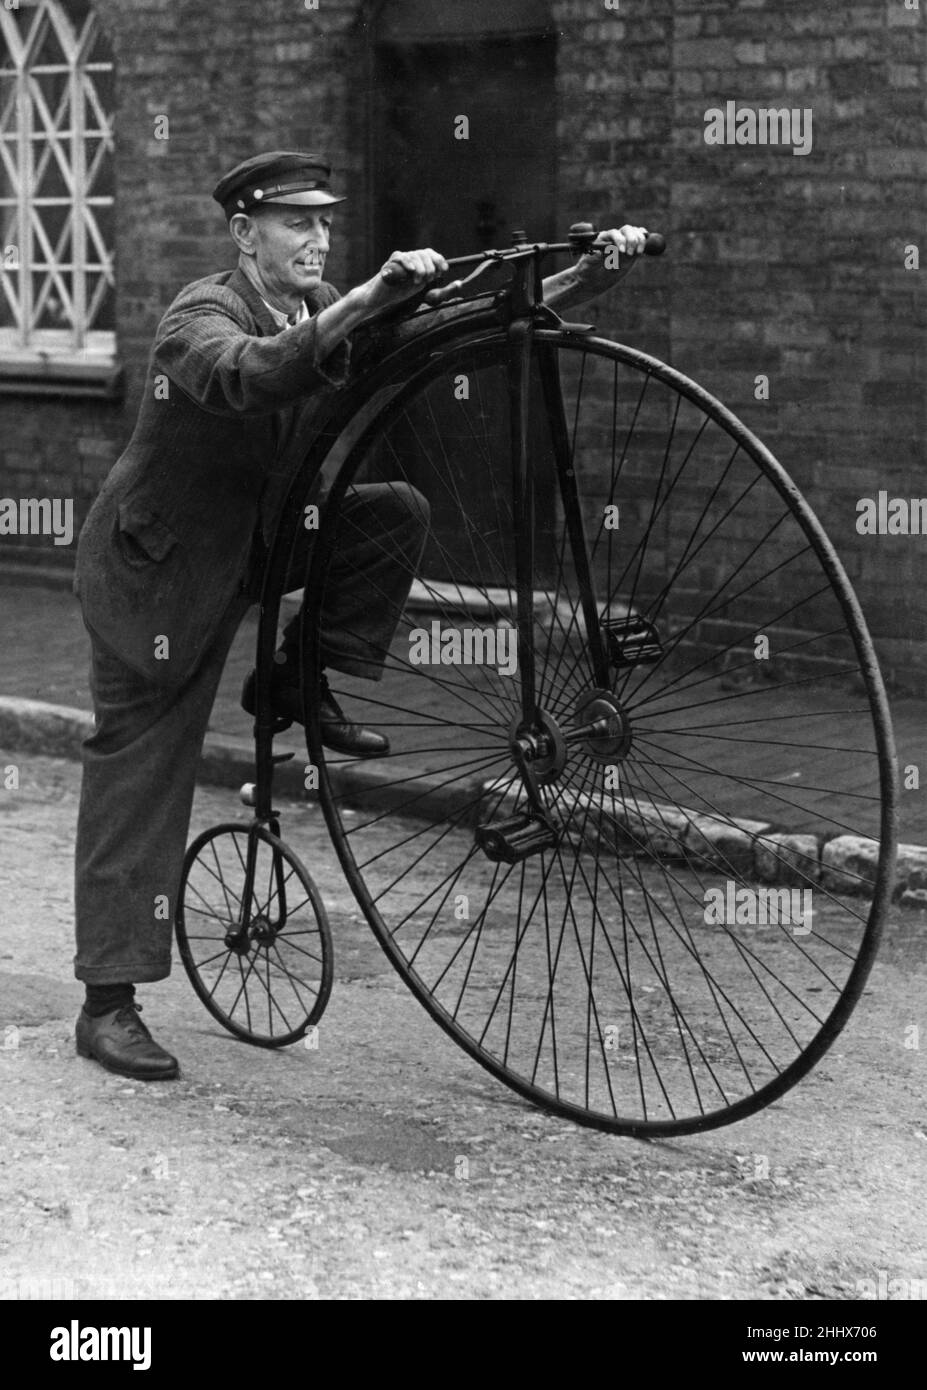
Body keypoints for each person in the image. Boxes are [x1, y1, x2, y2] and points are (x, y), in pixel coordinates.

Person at [71, 149, 649, 1082]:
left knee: (389, 514)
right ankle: (108, 1002)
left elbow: (453, 323)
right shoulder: (201, 314)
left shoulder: (319, 306)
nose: (316, 237)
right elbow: (251, 376)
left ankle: (295, 673)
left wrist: (582, 275)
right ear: (243, 235)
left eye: (325, 222)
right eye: (295, 223)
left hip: (262, 541)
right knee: (143, 768)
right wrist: (365, 298)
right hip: (159, 576)